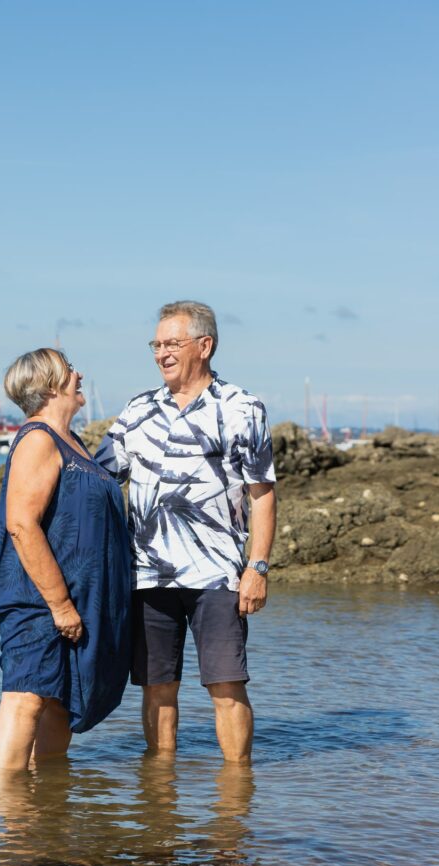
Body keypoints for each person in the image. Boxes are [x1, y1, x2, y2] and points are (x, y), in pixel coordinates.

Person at [96, 300, 276, 763]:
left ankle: (236, 796)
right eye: (156, 344)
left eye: (171, 343)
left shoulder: (242, 409)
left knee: (226, 686)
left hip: (217, 574)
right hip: (148, 575)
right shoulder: (138, 410)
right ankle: (160, 796)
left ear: (205, 345)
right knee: (157, 689)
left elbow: (262, 494)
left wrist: (257, 567)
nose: (161, 353)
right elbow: (96, 477)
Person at [0, 348, 131, 770]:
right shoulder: (37, 439)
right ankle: (7, 819)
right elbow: (22, 524)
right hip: (39, 600)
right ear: (50, 385)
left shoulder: (74, 442)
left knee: (59, 705)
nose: (79, 374)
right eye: (70, 369)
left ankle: (45, 815)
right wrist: (59, 604)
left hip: (78, 601)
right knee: (26, 698)